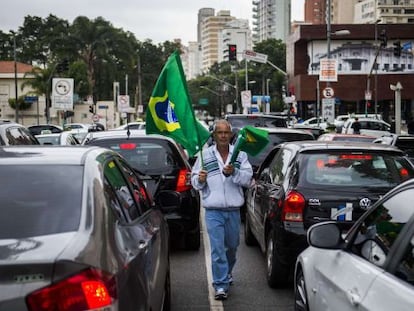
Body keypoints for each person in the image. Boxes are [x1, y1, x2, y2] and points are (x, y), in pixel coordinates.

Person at [191, 119, 253, 300]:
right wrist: (200, 180)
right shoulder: (205, 155)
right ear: (214, 135)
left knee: (232, 248)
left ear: (231, 135)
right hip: (213, 211)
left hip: (233, 210)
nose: (223, 136)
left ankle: (227, 272)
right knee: (217, 250)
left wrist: (234, 172)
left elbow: (247, 179)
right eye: (220, 133)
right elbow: (195, 182)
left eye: (226, 132)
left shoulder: (240, 156)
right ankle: (220, 285)